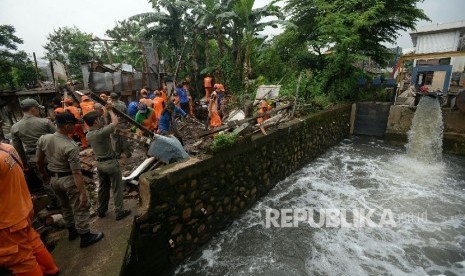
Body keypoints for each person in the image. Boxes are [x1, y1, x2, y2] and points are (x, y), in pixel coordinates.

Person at [36, 112, 104, 248]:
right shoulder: (70, 146)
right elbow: (76, 173)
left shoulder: (44, 138)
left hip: (54, 180)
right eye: (73, 124)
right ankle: (85, 236)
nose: (76, 127)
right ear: (67, 126)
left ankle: (72, 230)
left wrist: (43, 173)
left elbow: (39, 160)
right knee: (80, 207)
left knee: (65, 206)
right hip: (68, 179)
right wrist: (83, 193)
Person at [0, 142, 59, 276]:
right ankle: (50, 269)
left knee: (19, 259)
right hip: (22, 209)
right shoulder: (8, 148)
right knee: (32, 241)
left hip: (6, 220)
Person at [83, 107, 132, 221]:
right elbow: (115, 122)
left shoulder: (89, 135)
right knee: (117, 188)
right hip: (110, 163)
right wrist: (110, 110)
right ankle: (120, 211)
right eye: (99, 119)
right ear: (95, 121)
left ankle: (102, 210)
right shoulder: (100, 133)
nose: (101, 120)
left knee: (103, 188)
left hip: (100, 165)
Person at [11, 98, 59, 207]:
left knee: (45, 180)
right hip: (52, 156)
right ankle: (65, 199)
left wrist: (24, 164)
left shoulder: (15, 127)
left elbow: (18, 149)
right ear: (33, 109)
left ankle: (55, 203)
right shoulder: (45, 122)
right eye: (37, 108)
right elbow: (58, 137)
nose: (39, 111)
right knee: (58, 177)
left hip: (34, 159)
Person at [109, 93, 131, 158]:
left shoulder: (109, 106)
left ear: (111, 98)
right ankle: (127, 153)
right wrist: (128, 123)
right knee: (124, 139)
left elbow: (107, 117)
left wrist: (108, 124)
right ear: (118, 97)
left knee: (115, 140)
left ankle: (117, 155)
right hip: (123, 125)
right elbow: (127, 115)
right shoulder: (123, 105)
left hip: (113, 125)